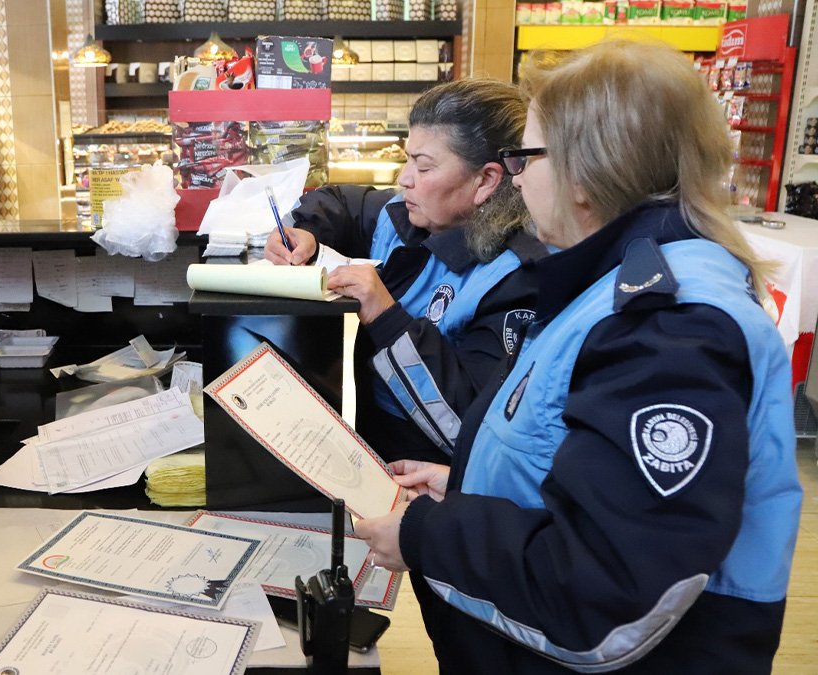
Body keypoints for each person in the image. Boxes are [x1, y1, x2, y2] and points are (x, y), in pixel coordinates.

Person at [355, 40, 802, 673]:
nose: (515, 178)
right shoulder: (611, 284)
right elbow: (582, 464)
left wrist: (428, 534)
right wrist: (469, 486)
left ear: (585, 175)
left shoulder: (664, 328)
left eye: (524, 158)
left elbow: (608, 579)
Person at [264, 79, 546, 464]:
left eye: (424, 166)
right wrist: (308, 232)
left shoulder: (512, 278)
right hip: (360, 427)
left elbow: (468, 425)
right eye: (408, 159)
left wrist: (386, 316)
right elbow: (341, 202)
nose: (404, 178)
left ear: (486, 180)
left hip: (424, 464)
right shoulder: (406, 216)